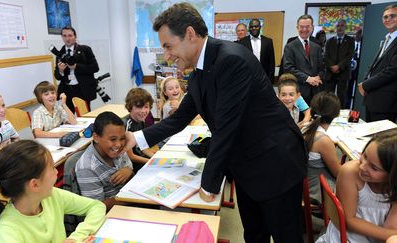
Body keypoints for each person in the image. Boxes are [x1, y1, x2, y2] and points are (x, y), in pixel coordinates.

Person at [122, 3, 307, 243]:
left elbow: (226, 127)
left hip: (275, 162)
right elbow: (180, 118)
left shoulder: (232, 60)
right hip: (246, 164)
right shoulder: (198, 70)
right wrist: (135, 138)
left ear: (189, 34)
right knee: (254, 233)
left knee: (286, 237)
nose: (167, 55)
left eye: (168, 46)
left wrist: (209, 186)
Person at [0, 140, 106, 243]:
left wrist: (77, 237)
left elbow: (97, 206)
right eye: (52, 168)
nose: (56, 172)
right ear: (35, 185)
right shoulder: (7, 230)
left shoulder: (52, 196)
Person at [316, 130, 397, 242]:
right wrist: (391, 235)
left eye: (374, 168)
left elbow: (391, 227)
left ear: (392, 175)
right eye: (365, 156)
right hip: (347, 238)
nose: (363, 167)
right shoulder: (349, 173)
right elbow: (349, 221)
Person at [76, 111, 134, 210]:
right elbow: (97, 207)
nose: (119, 144)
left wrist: (129, 171)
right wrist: (130, 198)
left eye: (122, 138)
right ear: (96, 137)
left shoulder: (119, 150)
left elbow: (131, 177)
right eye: (113, 139)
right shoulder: (87, 168)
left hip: (129, 202)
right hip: (111, 216)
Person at [358, 4, 397, 122]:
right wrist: (365, 81)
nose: (388, 19)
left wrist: (365, 85)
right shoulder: (387, 39)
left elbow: (392, 70)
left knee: (381, 139)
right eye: (385, 17)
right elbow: (375, 66)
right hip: (373, 99)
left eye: (393, 16)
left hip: (386, 103)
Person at [302, 91, 341, 203]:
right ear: (336, 115)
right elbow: (337, 173)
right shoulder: (323, 140)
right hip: (316, 191)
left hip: (304, 182)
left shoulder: (304, 127)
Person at [54, 26, 99, 114]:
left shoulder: (85, 49)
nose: (67, 38)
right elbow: (57, 76)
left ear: (75, 36)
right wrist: (61, 71)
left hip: (82, 89)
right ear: (62, 37)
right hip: (66, 91)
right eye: (65, 36)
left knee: (85, 117)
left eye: (70, 35)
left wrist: (76, 67)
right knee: (67, 119)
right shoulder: (60, 53)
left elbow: (95, 67)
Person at [282, 14, 324, 104]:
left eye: (307, 27)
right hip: (298, 92)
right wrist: (308, 79)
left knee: (313, 117)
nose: (304, 29)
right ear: (297, 28)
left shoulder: (316, 47)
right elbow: (288, 68)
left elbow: (322, 67)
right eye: (301, 27)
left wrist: (318, 77)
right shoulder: (290, 46)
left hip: (315, 91)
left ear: (312, 28)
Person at [324, 19, 355, 108]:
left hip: (344, 72)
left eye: (342, 25)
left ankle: (341, 114)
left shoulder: (350, 40)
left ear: (345, 27)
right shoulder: (329, 41)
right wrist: (332, 67)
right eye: (338, 26)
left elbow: (350, 56)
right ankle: (328, 112)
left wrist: (339, 66)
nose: (340, 28)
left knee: (342, 96)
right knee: (328, 96)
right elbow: (326, 56)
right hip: (330, 72)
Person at [124, 88, 156, 172]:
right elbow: (131, 157)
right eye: (139, 107)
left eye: (146, 107)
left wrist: (155, 158)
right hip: (132, 166)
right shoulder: (127, 125)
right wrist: (152, 162)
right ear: (130, 107)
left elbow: (143, 147)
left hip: (141, 158)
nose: (143, 111)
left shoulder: (141, 121)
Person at [238, 18, 275, 82]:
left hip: (264, 79)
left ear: (260, 27)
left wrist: (270, 81)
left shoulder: (268, 42)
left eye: (256, 26)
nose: (254, 28)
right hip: (247, 79)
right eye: (251, 27)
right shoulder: (242, 42)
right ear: (249, 29)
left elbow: (271, 63)